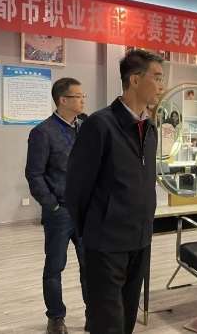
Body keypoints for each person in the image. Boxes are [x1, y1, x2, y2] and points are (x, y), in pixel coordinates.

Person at [65, 49, 164, 334]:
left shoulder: (150, 128)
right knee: (107, 323)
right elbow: (76, 188)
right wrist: (93, 230)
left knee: (127, 320)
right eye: (157, 78)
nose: (162, 85)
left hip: (140, 240)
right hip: (106, 243)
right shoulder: (100, 125)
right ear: (135, 79)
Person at [25, 78, 88, 334]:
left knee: (91, 265)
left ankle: (93, 312)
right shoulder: (42, 132)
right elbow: (34, 175)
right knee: (54, 267)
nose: (83, 100)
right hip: (59, 212)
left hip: (84, 211)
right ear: (63, 100)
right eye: (78, 96)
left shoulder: (84, 128)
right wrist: (52, 206)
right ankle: (56, 318)